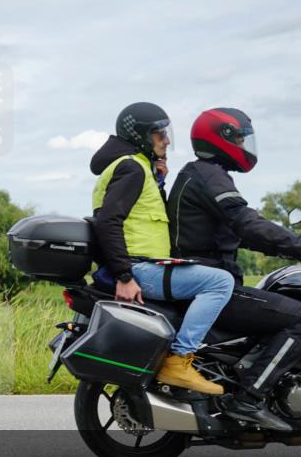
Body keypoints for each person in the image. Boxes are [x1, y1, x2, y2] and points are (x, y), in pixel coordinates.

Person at [168, 107, 301, 430]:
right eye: (239, 137)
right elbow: (249, 224)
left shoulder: (203, 174)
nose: (245, 144)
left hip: (204, 279)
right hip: (212, 286)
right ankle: (248, 398)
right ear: (220, 138)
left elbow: (241, 234)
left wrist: (296, 249)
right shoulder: (209, 176)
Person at [91, 102, 235, 395]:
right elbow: (109, 221)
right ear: (141, 136)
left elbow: (139, 217)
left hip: (141, 264)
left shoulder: (136, 168)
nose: (166, 140)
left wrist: (159, 181)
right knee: (220, 281)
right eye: (159, 135)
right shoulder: (132, 167)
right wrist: (124, 275)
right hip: (139, 268)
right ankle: (180, 360)